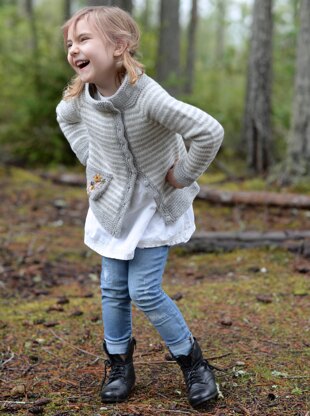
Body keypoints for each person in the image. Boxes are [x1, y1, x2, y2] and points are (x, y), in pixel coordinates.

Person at [56, 6, 224, 409]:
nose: (74, 49)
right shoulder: (82, 97)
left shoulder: (148, 96)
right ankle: (119, 364)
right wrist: (92, 161)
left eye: (84, 40)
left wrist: (182, 174)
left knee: (144, 290)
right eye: (70, 43)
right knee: (112, 290)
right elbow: (67, 119)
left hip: (154, 206)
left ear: (119, 46)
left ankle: (192, 362)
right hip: (112, 207)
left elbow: (208, 131)